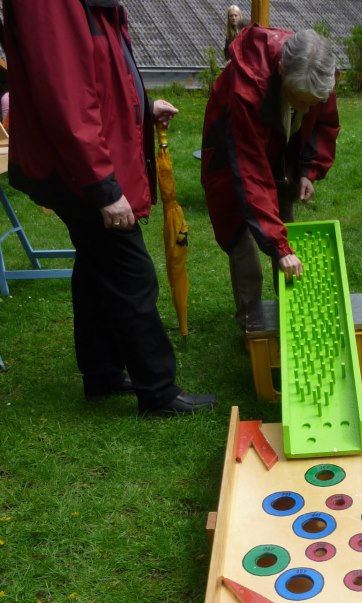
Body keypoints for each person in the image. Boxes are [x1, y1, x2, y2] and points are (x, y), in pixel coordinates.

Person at [3, 0, 216, 417]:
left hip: (82, 162)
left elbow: (103, 73)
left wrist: (142, 107)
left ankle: (101, 373)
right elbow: (66, 100)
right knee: (130, 272)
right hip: (78, 168)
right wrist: (103, 187)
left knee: (95, 264)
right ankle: (158, 392)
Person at [201, 26, 339, 332]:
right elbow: (252, 173)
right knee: (243, 240)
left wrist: (307, 169)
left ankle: (290, 315)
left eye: (311, 102)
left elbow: (322, 124)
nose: (305, 109)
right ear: (279, 70)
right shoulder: (246, 88)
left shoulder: (319, 74)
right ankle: (253, 327)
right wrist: (279, 247)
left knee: (284, 224)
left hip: (282, 147)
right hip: (230, 152)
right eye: (299, 100)